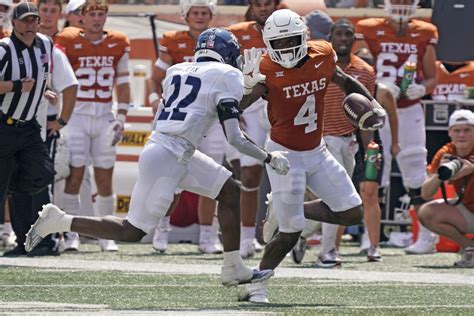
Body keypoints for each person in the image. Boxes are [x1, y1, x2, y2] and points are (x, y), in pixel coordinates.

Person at [25, 27, 286, 287]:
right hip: (170, 154)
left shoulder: (177, 71)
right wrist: (269, 157)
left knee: (229, 192)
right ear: (227, 53)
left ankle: (233, 268)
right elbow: (235, 136)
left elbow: (215, 108)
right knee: (132, 231)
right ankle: (59, 220)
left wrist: (251, 91)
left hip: (171, 149)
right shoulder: (226, 74)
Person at [239, 9, 385, 303]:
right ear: (268, 43)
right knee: (291, 232)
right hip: (284, 152)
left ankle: (282, 210)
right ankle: (257, 285)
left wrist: (371, 104)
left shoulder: (322, 54)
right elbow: (239, 106)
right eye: (277, 43)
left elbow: (344, 82)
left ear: (304, 37)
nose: (284, 48)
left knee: (351, 212)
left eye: (290, 40)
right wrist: (245, 86)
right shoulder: (265, 67)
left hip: (316, 149)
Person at [354, 0, 439, 255]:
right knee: (374, 170)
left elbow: (433, 77)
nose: (401, 4)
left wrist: (423, 88)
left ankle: (427, 235)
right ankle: (371, 237)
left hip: (410, 109)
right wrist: (377, 87)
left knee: (415, 170)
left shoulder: (425, 31)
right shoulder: (368, 28)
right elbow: (360, 67)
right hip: (378, 108)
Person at [149, 0, 227, 254]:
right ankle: (161, 228)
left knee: (212, 177)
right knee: (171, 176)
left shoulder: (221, 40)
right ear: (186, 15)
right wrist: (153, 99)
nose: (200, 16)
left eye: (205, 12)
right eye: (196, 12)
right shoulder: (173, 39)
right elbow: (156, 79)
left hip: (211, 118)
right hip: (182, 120)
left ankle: (207, 235)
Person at [0, 2, 77, 256]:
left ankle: (32, 240)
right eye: (25, 20)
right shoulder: (4, 49)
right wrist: (16, 86)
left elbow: (39, 75)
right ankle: (27, 241)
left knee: (41, 176)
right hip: (4, 125)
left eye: (34, 20)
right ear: (14, 23)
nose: (31, 25)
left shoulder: (45, 43)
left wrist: (44, 92)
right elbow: (20, 83)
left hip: (30, 125)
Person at [55, 0, 131, 252]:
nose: (97, 19)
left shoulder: (118, 42)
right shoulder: (67, 40)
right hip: (77, 115)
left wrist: (121, 117)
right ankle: (72, 233)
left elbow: (123, 82)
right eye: (92, 14)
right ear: (82, 18)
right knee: (75, 175)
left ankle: (106, 235)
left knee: (104, 177)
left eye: (101, 14)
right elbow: (58, 76)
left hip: (103, 116)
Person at [228, 0, 280, 258]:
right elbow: (226, 72)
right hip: (250, 106)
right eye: (258, 3)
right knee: (249, 174)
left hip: (281, 104)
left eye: (267, 3)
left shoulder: (289, 26)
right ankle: (247, 236)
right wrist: (232, 108)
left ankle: (294, 230)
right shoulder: (236, 32)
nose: (263, 8)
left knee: (294, 169)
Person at [418, 109, 474, 267]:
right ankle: (469, 246)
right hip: (469, 209)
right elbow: (426, 193)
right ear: (450, 133)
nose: (461, 135)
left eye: (467, 130)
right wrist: (440, 174)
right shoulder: (447, 153)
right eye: (457, 130)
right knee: (427, 213)